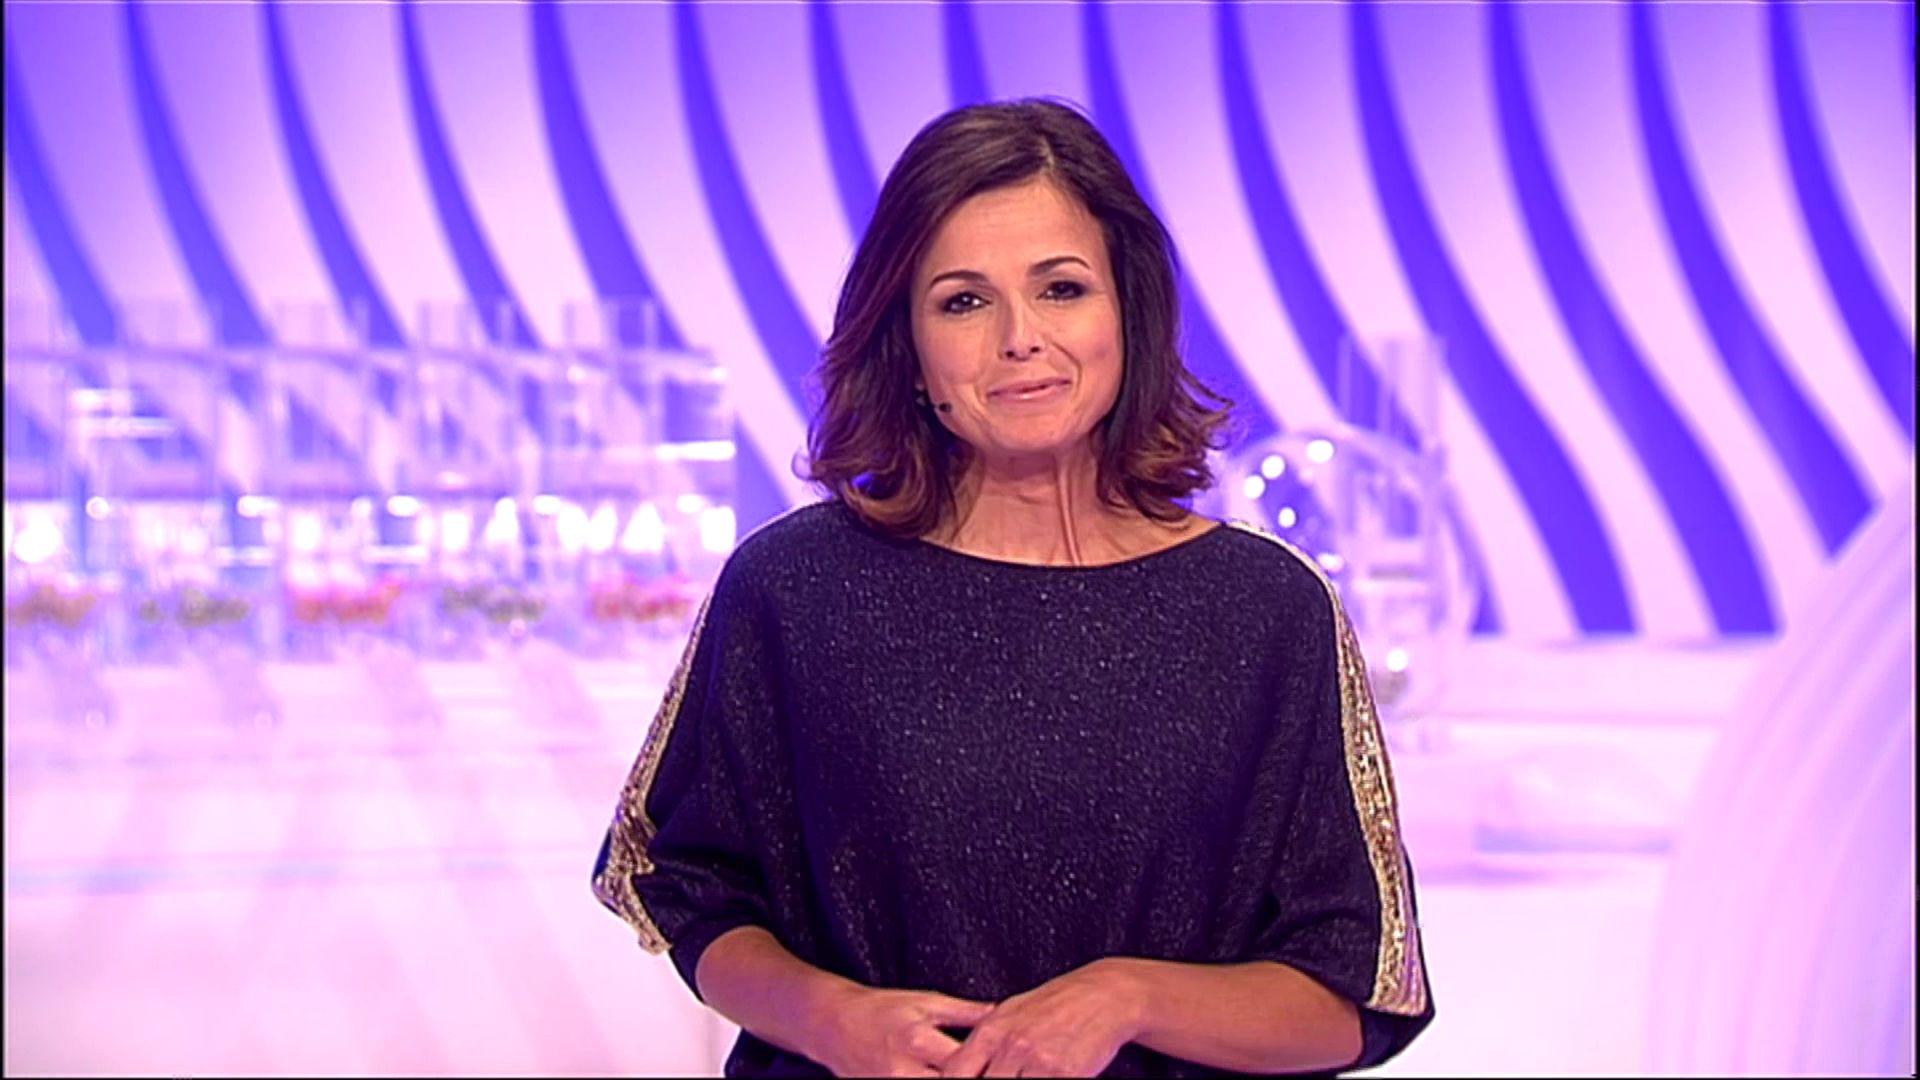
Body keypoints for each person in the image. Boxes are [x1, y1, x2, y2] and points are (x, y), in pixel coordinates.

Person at [593, 98, 1433, 1078]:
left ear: (1128, 313)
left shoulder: (1267, 609)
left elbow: (1355, 999)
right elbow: (681, 880)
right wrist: (830, 1021)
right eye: (964, 302)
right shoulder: (794, 586)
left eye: (1062, 288)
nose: (1021, 338)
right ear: (908, 348)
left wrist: (1129, 998)